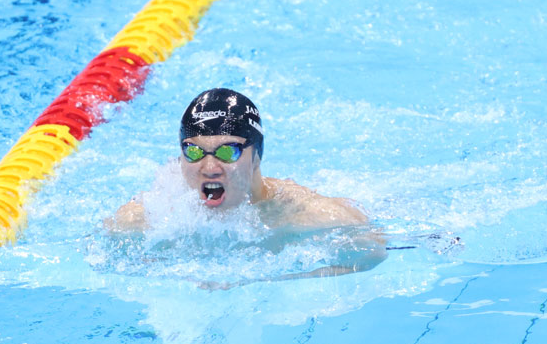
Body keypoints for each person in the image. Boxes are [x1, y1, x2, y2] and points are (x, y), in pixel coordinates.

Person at [105, 88, 386, 284]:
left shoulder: (307, 216)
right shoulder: (151, 215)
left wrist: (268, 280)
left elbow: (371, 255)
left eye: (228, 152)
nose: (210, 167)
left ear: (257, 157)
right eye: (193, 152)